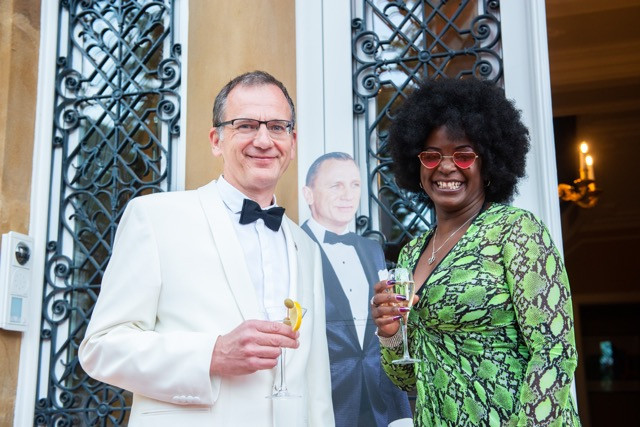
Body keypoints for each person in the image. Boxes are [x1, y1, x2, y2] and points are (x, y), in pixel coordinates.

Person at [79, 71, 334, 426]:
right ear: (216, 140)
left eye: (277, 127)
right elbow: (101, 348)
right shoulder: (154, 218)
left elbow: (315, 383)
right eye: (246, 125)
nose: (264, 140)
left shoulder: (305, 247)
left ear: (292, 142)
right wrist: (212, 354)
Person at [371, 77, 581, 426]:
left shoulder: (516, 231)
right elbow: (408, 379)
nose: (446, 166)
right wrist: (391, 333)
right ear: (417, 165)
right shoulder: (411, 254)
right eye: (431, 155)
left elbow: (554, 352)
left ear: (489, 163)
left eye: (464, 155)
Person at [301, 152, 412, 427]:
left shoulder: (372, 249)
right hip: (323, 402)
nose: (348, 195)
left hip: (379, 400)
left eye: (355, 185)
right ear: (308, 194)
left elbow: (384, 331)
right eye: (336, 185)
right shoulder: (293, 246)